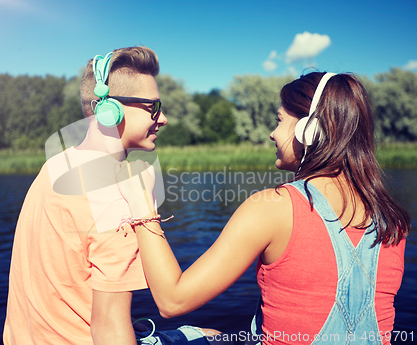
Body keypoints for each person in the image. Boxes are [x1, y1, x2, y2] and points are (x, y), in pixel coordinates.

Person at [115, 72, 410, 345]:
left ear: (309, 130)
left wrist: (143, 207)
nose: (272, 133)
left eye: (280, 120)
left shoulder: (273, 208)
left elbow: (172, 301)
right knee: (213, 335)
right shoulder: (392, 220)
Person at [3, 46, 219, 345]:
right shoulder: (114, 201)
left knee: (206, 335)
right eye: (153, 107)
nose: (164, 118)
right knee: (219, 339)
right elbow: (109, 332)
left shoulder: (57, 165)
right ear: (110, 110)